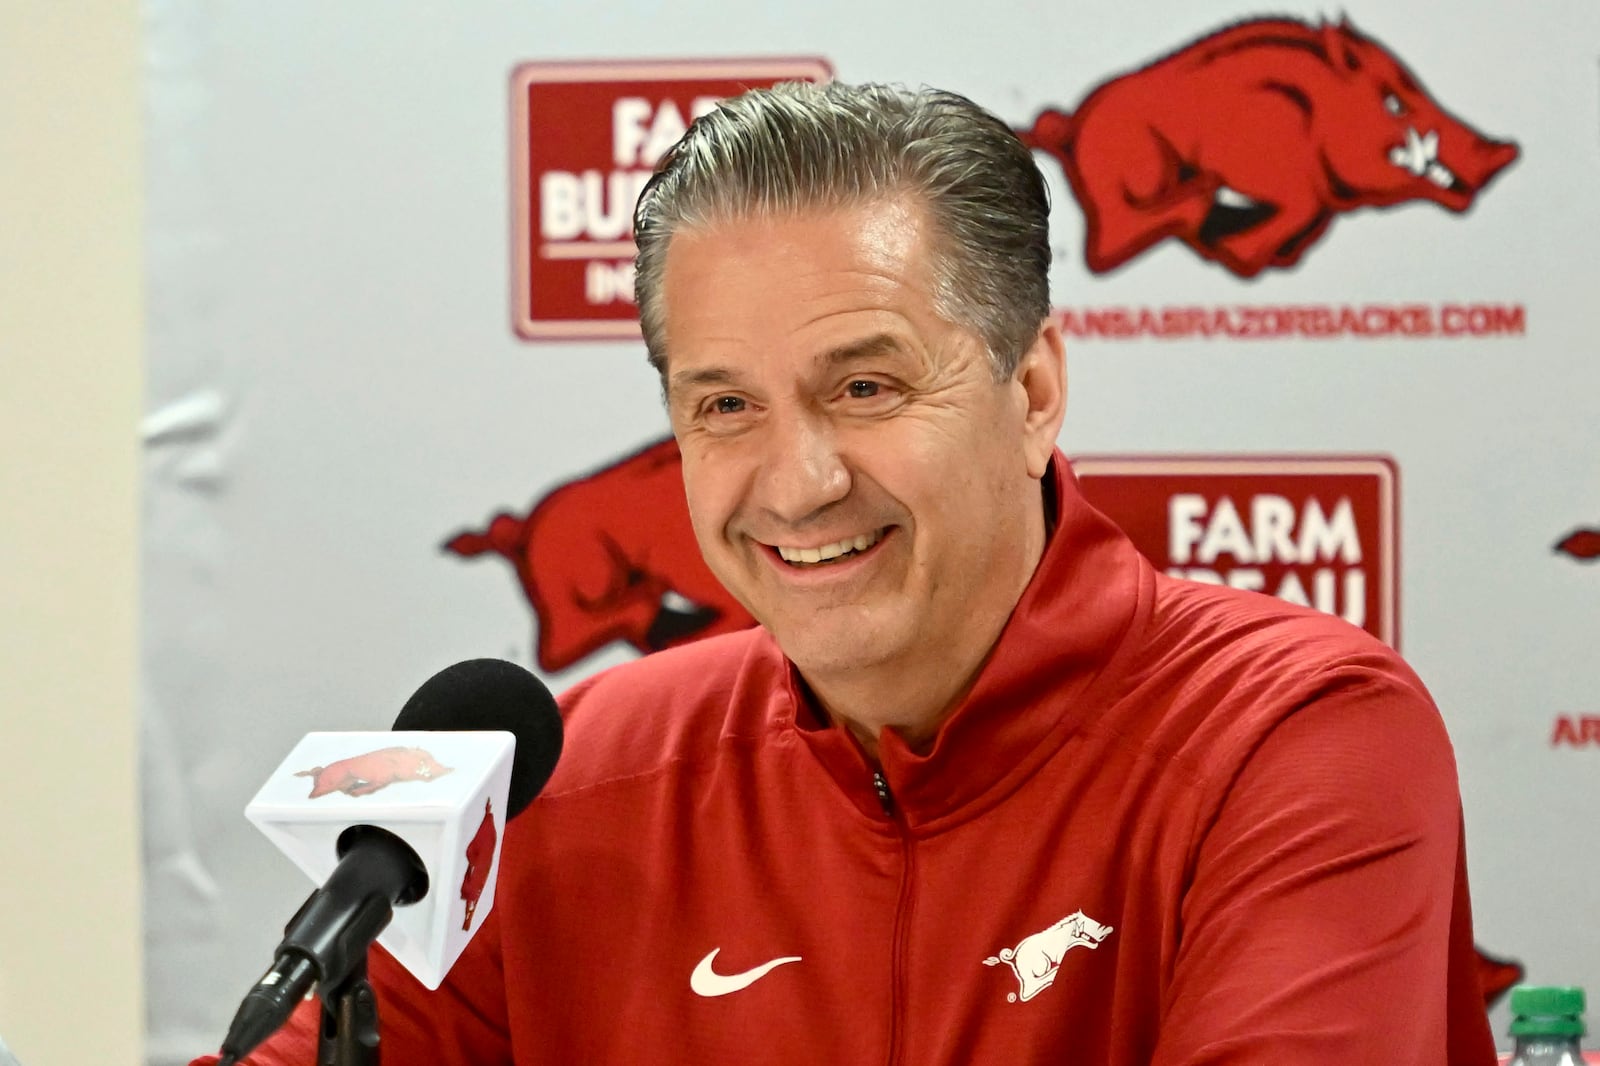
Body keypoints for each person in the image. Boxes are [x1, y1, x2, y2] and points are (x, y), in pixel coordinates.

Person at [196, 81, 1496, 1065]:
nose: (799, 478)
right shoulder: (583, 766)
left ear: (1032, 388)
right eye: (724, 406)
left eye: (864, 386)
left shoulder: (1296, 732)